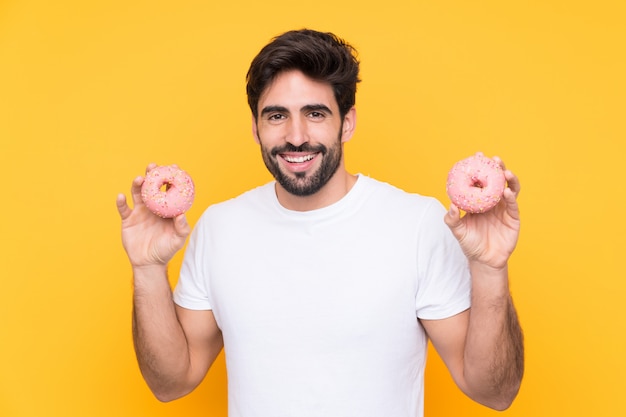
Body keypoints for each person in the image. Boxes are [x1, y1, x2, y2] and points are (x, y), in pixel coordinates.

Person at [116, 29, 524, 417]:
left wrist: (490, 271)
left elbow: (494, 392)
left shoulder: (417, 224)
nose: (296, 136)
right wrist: (148, 271)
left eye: (315, 113)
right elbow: (171, 383)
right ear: (256, 129)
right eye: (276, 116)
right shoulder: (220, 227)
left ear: (347, 123)